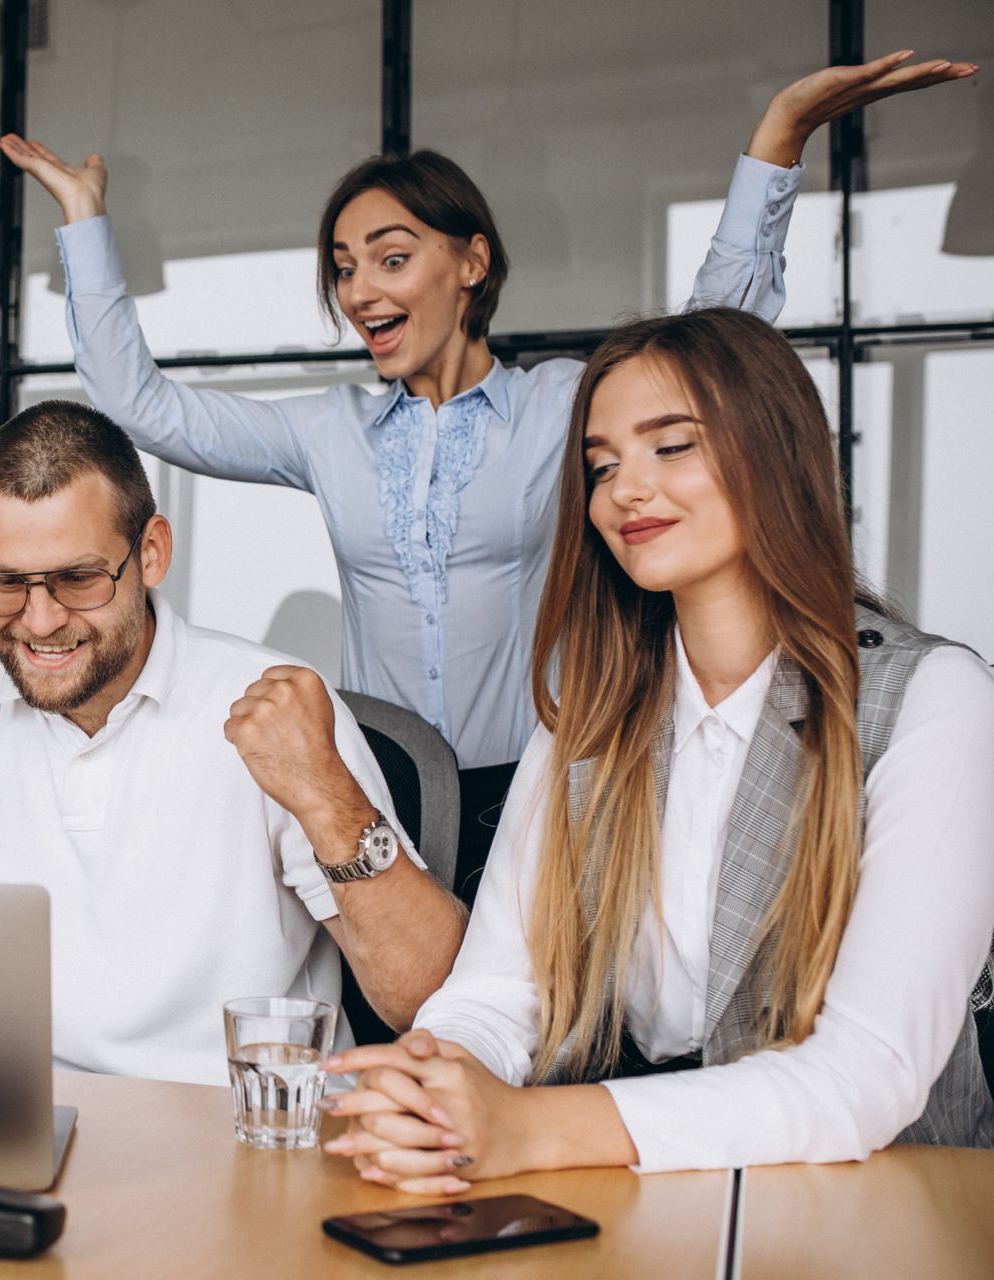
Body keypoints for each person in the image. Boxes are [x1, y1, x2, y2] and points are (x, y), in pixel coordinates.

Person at [2, 52, 977, 904]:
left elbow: (707, 348)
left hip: (550, 778)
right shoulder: (328, 431)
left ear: (471, 262)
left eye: (392, 256)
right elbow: (146, 407)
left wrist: (778, 137)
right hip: (382, 781)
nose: (360, 289)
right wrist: (85, 224)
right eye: (344, 267)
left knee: (539, 1030)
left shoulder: (559, 408)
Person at [320, 308, 994, 1193]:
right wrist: (436, 1082)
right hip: (634, 1191)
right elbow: (498, 992)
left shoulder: (934, 698)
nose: (624, 490)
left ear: (776, 452)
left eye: (671, 447)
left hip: (878, 1203)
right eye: (601, 466)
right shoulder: (589, 716)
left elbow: (871, 1074)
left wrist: (528, 1128)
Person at [0, 400, 467, 1086]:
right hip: (18, 1127)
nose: (38, 621)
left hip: (237, 1133)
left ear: (151, 552)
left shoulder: (272, 703)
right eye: (5, 583)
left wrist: (329, 801)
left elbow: (424, 999)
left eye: (77, 579)